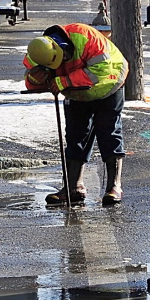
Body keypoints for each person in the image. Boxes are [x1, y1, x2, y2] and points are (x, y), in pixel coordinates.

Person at [23, 22, 128, 206]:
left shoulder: (86, 38)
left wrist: (65, 80)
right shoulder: (38, 52)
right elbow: (32, 81)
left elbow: (102, 72)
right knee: (75, 134)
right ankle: (73, 187)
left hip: (108, 84)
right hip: (76, 91)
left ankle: (114, 187)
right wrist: (34, 79)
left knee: (108, 131)